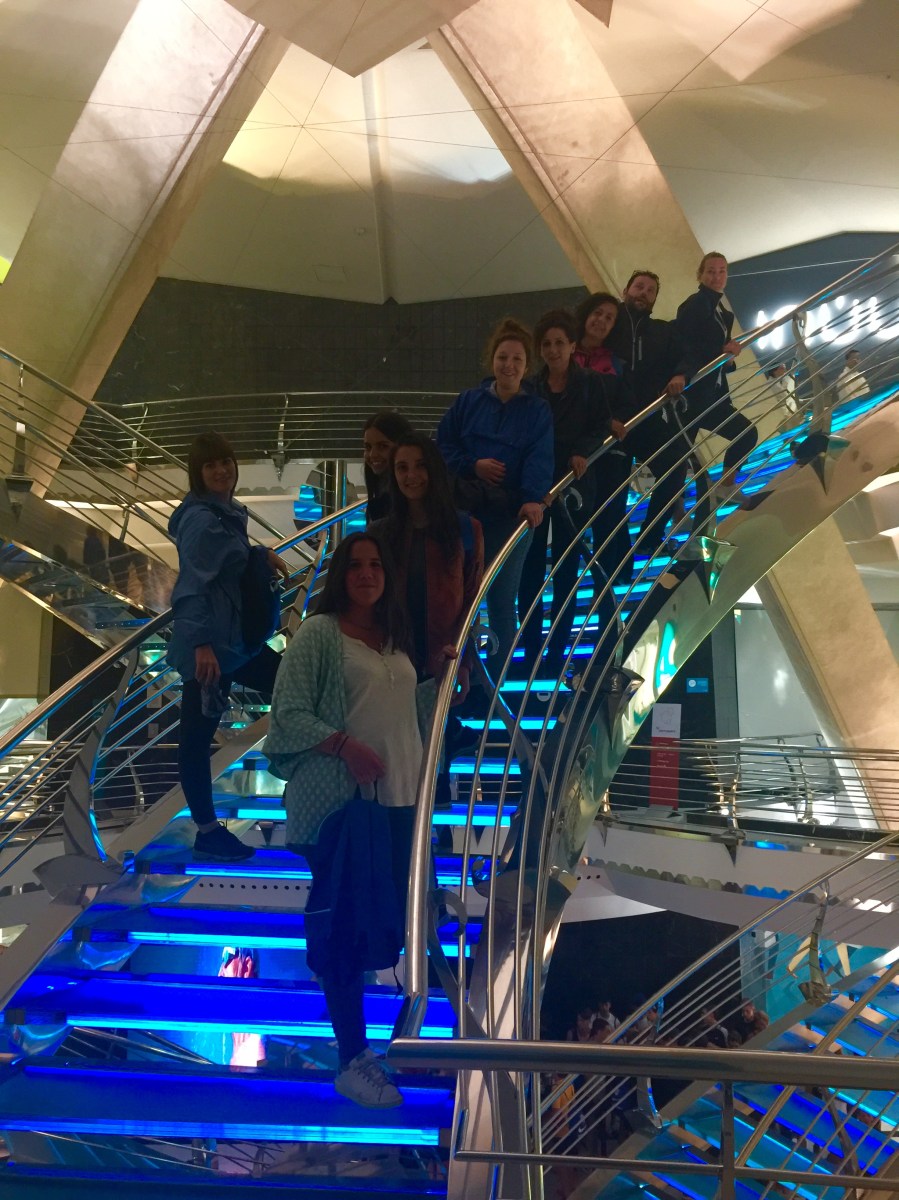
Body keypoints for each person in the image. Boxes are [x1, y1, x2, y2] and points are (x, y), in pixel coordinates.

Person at [264, 531, 432, 1109]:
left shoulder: (393, 638)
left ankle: (394, 1039)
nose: (366, 573)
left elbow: (399, 712)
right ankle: (352, 1058)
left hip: (400, 800)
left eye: (376, 564)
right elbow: (287, 714)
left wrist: (441, 688)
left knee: (396, 922)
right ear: (341, 574)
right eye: (356, 564)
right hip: (341, 805)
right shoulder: (320, 633)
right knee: (343, 930)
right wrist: (343, 746)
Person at [168, 432, 290, 862]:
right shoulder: (202, 521)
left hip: (234, 644)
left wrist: (259, 554)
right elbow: (191, 587)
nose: (221, 471)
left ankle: (292, 770)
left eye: (225, 462)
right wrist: (201, 645)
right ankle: (207, 831)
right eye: (211, 465)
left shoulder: (223, 514)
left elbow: (223, 564)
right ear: (197, 473)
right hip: (214, 650)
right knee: (196, 739)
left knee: (293, 685)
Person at [437, 318, 553, 678]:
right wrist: (473, 465)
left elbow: (540, 456)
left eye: (517, 359)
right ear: (492, 361)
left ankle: (497, 680)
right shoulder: (468, 402)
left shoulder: (536, 410)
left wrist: (532, 497)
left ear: (527, 366)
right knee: (460, 596)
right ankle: (462, 675)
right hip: (467, 513)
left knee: (502, 600)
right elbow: (444, 445)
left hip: (510, 517)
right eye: (503, 357)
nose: (509, 365)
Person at [517, 308, 618, 679]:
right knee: (529, 572)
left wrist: (582, 451)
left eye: (559, 342)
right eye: (546, 344)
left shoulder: (590, 383)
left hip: (574, 484)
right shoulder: (532, 387)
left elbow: (601, 426)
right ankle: (530, 653)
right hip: (538, 484)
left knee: (566, 571)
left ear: (573, 346)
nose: (553, 350)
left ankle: (557, 653)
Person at [373, 433, 484, 697]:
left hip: (443, 661)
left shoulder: (466, 529)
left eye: (421, 465)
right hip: (389, 662)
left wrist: (464, 663)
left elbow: (471, 601)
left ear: (434, 469)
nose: (411, 475)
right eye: (402, 468)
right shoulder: (380, 533)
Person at [603, 270, 695, 565]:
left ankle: (650, 539)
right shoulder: (609, 323)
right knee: (613, 502)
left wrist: (681, 374)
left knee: (676, 466)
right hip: (611, 424)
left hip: (645, 419)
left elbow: (686, 354)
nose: (643, 293)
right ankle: (617, 566)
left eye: (650, 290)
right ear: (625, 291)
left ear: (654, 299)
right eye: (639, 287)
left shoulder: (662, 332)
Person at [674, 252, 759, 522]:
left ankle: (723, 487)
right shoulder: (696, 305)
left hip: (713, 394)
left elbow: (718, 356)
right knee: (680, 459)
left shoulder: (721, 311)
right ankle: (677, 516)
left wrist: (728, 359)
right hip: (695, 395)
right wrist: (719, 354)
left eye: (722, 271)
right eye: (711, 271)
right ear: (700, 275)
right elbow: (685, 346)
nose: (717, 276)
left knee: (743, 434)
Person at [573, 292, 639, 591]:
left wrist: (612, 422)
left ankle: (605, 597)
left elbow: (627, 406)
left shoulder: (616, 364)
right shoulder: (564, 353)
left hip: (609, 454)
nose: (601, 320)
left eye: (609, 318)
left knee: (607, 524)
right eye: (598, 313)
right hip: (572, 454)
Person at [362, 410, 415, 524]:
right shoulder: (382, 491)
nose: (372, 454)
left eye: (382, 446)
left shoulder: (415, 498)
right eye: (368, 447)